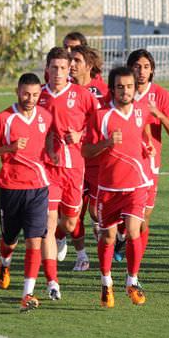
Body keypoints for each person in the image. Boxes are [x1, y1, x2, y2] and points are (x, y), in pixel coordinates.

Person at [82, 66, 155, 307]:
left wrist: (147, 146)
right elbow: (86, 151)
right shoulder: (101, 116)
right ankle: (106, 283)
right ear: (112, 89)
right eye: (120, 87)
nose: (125, 91)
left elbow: (143, 135)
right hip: (109, 187)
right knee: (108, 237)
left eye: (129, 86)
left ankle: (132, 281)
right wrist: (106, 143)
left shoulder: (142, 110)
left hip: (137, 185)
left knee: (134, 231)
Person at [0, 73, 53, 310]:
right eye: (26, 94)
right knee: (10, 239)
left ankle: (27, 294)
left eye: (35, 95)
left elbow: (50, 136)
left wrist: (52, 153)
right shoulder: (4, 118)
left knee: (34, 241)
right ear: (17, 92)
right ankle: (5, 263)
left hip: (38, 187)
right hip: (10, 187)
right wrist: (9, 148)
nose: (30, 99)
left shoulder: (45, 116)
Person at [38, 46, 98, 299]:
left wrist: (81, 134)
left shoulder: (82, 95)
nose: (59, 72)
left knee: (71, 222)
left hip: (74, 168)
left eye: (63, 68)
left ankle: (62, 237)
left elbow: (99, 121)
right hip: (47, 168)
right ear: (47, 69)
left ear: (69, 70)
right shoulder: (38, 95)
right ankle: (52, 281)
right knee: (48, 223)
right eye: (54, 67)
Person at [127, 49, 169, 261]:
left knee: (143, 216)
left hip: (149, 164)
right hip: (123, 162)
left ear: (152, 70)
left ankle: (135, 263)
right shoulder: (122, 91)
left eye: (146, 67)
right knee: (120, 215)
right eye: (137, 66)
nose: (141, 71)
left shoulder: (161, 95)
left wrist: (158, 114)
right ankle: (123, 240)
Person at [69, 45, 108, 271]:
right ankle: (81, 255)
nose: (72, 65)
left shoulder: (103, 91)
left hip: (97, 161)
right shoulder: (62, 89)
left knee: (95, 211)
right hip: (71, 162)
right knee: (73, 214)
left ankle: (109, 232)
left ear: (89, 66)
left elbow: (105, 124)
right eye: (70, 60)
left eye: (77, 60)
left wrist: (82, 134)